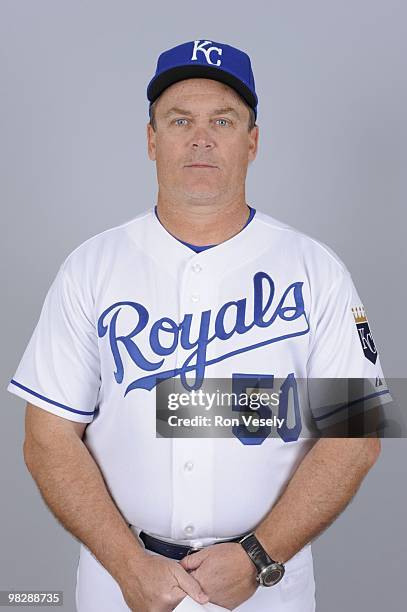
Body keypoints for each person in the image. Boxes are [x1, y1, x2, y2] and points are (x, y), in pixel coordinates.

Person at [7, 39, 393, 612]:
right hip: (122, 583)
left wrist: (259, 555)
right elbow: (47, 437)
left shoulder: (317, 270)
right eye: (179, 119)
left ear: (252, 141)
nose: (201, 138)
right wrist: (126, 564)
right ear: (150, 139)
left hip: (267, 587)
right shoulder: (90, 267)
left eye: (224, 119)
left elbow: (356, 434)